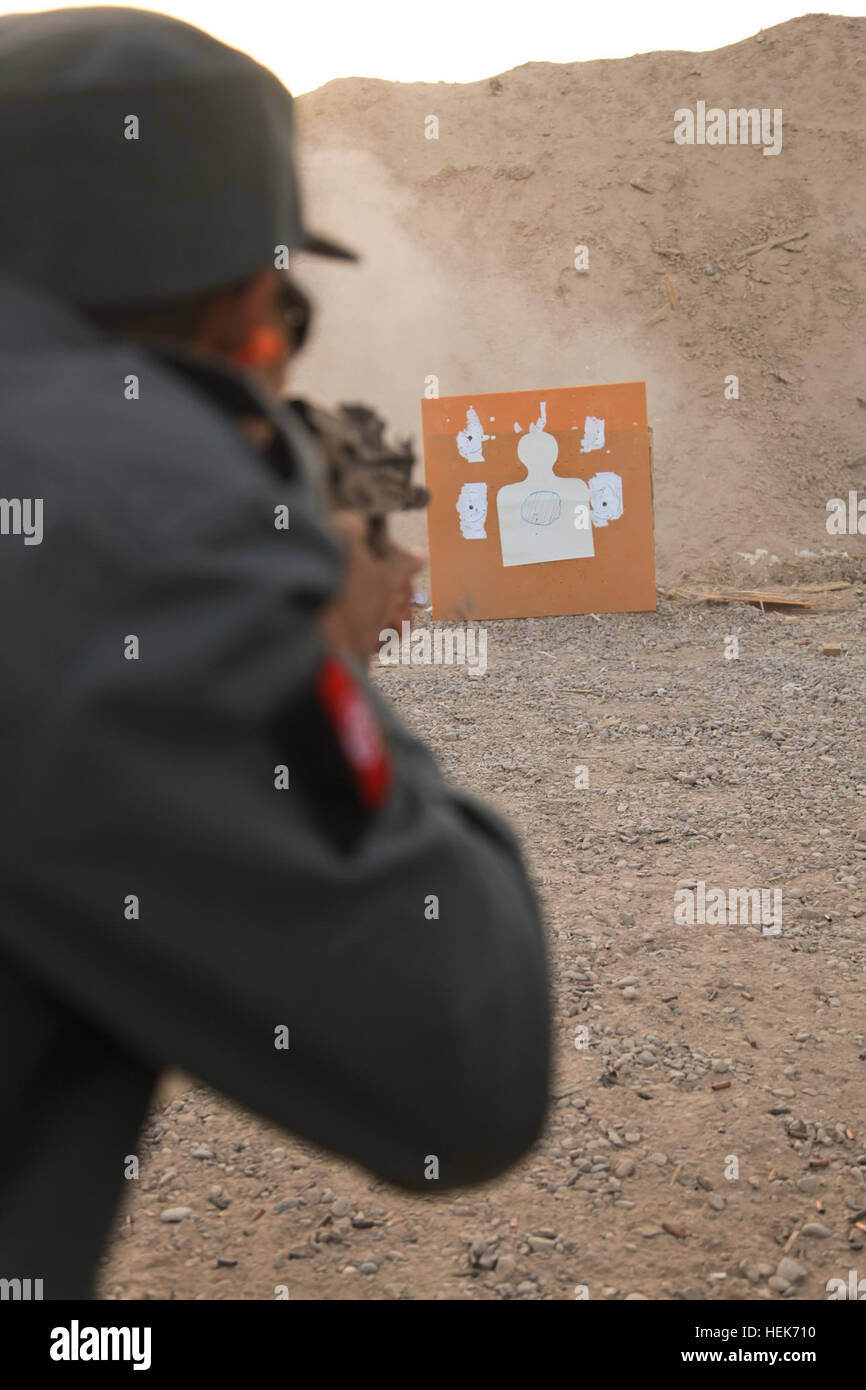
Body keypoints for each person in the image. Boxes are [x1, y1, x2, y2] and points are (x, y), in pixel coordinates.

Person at [0, 7, 550, 1299]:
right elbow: (469, 1054)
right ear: (237, 303)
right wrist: (325, 652)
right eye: (273, 325)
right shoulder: (131, 527)